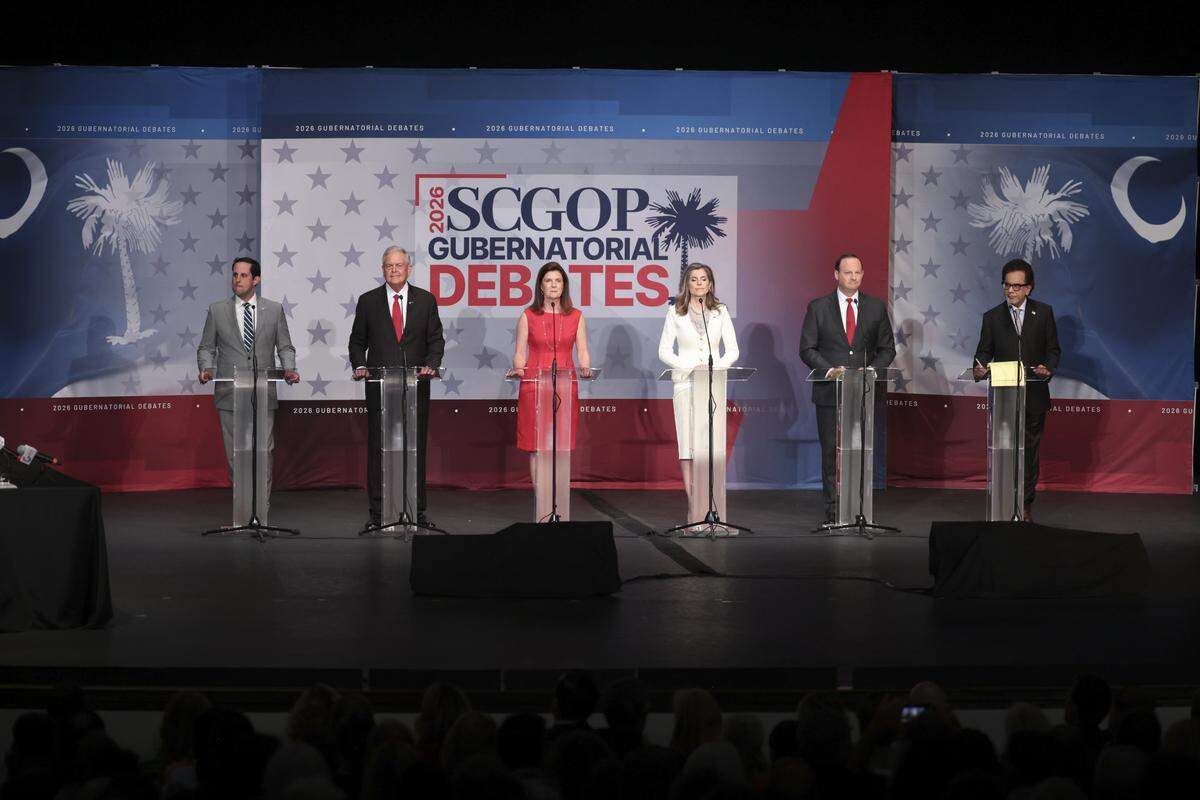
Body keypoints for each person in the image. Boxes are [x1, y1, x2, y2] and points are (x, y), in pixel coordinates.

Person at [349, 246, 445, 528]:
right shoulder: (368, 302)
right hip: (380, 387)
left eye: (399, 265)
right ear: (383, 270)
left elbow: (436, 340)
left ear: (408, 269)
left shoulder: (425, 301)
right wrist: (359, 365)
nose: (394, 270)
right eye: (388, 266)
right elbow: (357, 342)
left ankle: (417, 510)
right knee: (379, 447)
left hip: (416, 385)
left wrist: (431, 364)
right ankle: (378, 513)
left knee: (416, 448)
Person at [799, 254, 895, 525]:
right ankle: (832, 509)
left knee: (860, 449)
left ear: (862, 275)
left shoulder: (875, 307)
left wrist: (873, 369)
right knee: (830, 451)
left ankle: (859, 506)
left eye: (858, 272)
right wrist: (831, 370)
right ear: (836, 274)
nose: (853, 277)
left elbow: (888, 348)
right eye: (848, 272)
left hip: (863, 392)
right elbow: (807, 348)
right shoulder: (818, 307)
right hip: (830, 391)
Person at [197, 257, 299, 504]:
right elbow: (206, 347)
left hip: (262, 393)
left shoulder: (274, 310)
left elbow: (285, 346)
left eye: (243, 275)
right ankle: (242, 505)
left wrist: (289, 369)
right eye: (234, 274)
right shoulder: (217, 310)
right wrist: (205, 369)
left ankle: (260, 508)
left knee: (264, 451)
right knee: (236, 454)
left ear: (256, 279)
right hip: (230, 392)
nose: (237, 279)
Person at [971, 258, 1059, 522]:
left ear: (1029, 288)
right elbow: (983, 352)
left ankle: (1025, 504)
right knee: (1005, 451)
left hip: (1033, 396)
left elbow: (1053, 350)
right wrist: (978, 367)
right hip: (1003, 397)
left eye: (1017, 287)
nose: (1011, 291)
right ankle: (1004, 501)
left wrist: (1048, 368)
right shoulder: (992, 317)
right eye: (1007, 286)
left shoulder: (1043, 313)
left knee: (1029, 453)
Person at [657, 263, 739, 511]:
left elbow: (733, 350)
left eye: (704, 279)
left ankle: (713, 505)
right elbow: (663, 350)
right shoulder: (676, 312)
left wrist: (715, 368)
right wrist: (689, 366)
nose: (699, 283)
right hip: (685, 384)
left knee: (711, 445)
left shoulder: (720, 311)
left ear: (710, 283)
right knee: (689, 445)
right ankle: (694, 507)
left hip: (713, 385)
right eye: (694, 279)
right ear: (687, 284)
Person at [511, 262, 591, 487]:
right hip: (534, 385)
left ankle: (559, 499)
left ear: (564, 286)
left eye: (558, 280)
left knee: (561, 444)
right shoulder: (527, 316)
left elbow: (583, 350)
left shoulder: (576, 316)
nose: (553, 285)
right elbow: (519, 353)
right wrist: (518, 368)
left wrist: (585, 367)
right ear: (540, 286)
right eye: (548, 280)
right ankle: (541, 499)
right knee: (537, 445)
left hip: (565, 385)